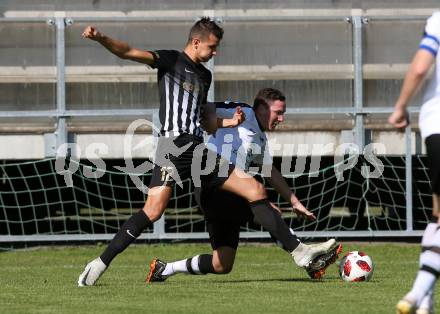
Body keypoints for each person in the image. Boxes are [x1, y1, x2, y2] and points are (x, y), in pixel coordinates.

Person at [78, 19, 335, 286]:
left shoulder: (204, 76)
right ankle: (300, 251)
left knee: (161, 211)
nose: (215, 53)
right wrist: (101, 38)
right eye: (212, 47)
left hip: (182, 148)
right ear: (196, 42)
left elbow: (205, 122)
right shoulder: (171, 61)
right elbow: (128, 51)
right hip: (180, 146)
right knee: (163, 209)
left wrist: (227, 123)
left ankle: (99, 263)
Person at [146, 88, 342, 282]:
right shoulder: (244, 112)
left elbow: (270, 171)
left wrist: (294, 201)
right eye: (278, 113)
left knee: (222, 264)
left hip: (225, 195)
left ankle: (165, 269)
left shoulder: (260, 139)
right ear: (262, 109)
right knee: (265, 210)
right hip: (213, 186)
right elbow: (205, 107)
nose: (281, 119)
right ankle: (303, 254)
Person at [389, 11, 440, 314]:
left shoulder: (438, 18)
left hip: (437, 125)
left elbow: (421, 66)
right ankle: (419, 291)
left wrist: (400, 106)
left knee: (438, 216)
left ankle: (425, 299)